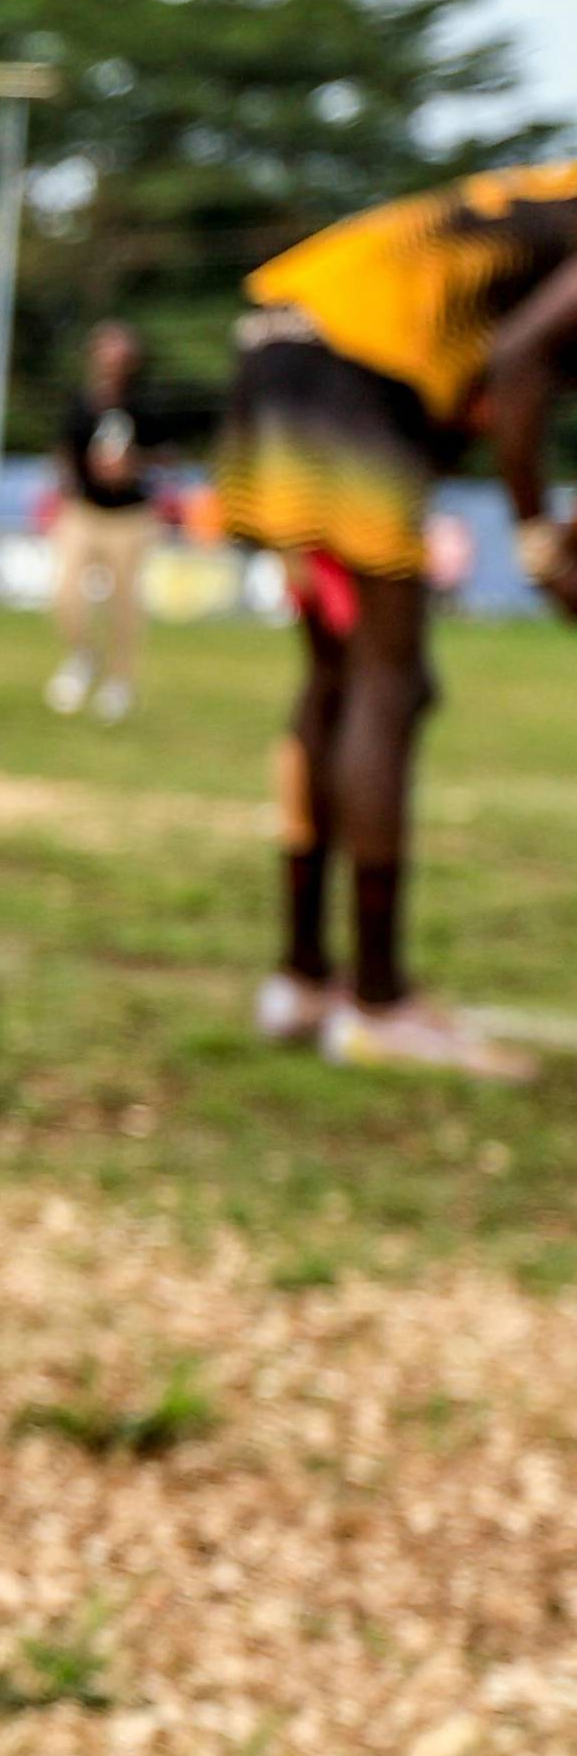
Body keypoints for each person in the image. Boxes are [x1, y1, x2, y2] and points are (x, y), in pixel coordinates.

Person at [221, 166, 577, 1078]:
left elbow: (494, 373)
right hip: (352, 356)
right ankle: (378, 1004)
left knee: (336, 679)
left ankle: (303, 978)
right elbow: (522, 358)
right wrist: (538, 540)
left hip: (282, 328)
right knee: (392, 684)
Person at [43, 321, 159, 724]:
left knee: (124, 604)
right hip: (84, 510)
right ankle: (82, 656)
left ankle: (120, 681)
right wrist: (68, 487)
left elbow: (165, 455)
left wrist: (132, 467)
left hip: (129, 515)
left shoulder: (144, 405)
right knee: (65, 593)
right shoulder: (80, 401)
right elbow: (64, 449)